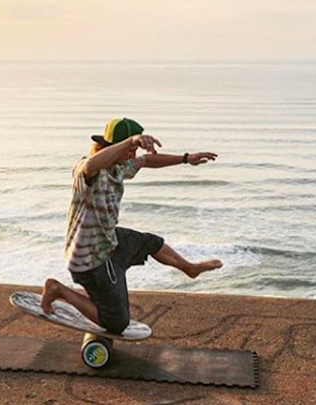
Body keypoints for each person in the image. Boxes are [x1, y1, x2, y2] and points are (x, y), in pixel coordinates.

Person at [40, 118, 223, 334]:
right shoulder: (88, 170)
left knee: (150, 242)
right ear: (113, 147)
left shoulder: (119, 167)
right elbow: (91, 165)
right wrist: (130, 142)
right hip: (90, 260)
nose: (132, 156)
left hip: (107, 240)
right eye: (129, 150)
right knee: (117, 323)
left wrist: (185, 159)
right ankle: (58, 289)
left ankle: (190, 269)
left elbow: (146, 160)